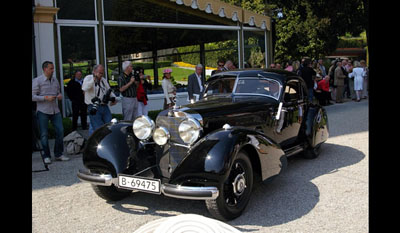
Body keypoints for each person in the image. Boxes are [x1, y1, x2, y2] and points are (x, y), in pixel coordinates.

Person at [32, 61, 69, 164]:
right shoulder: (37, 81)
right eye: (51, 69)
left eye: (53, 68)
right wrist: (45, 98)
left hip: (55, 110)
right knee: (44, 134)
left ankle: (58, 154)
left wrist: (59, 95)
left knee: (60, 131)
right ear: (45, 69)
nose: (53, 71)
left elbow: (58, 92)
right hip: (43, 110)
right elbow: (33, 96)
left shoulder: (55, 80)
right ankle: (46, 155)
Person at [82, 64, 117, 135]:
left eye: (102, 73)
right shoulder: (88, 78)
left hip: (104, 106)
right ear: (94, 72)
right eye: (100, 73)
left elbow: (109, 90)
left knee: (109, 125)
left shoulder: (103, 80)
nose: (101, 75)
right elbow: (84, 88)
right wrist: (94, 80)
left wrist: (114, 98)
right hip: (93, 106)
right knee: (98, 129)